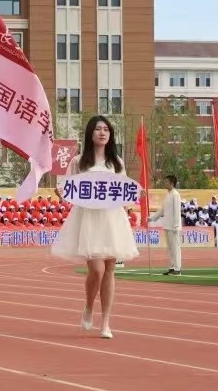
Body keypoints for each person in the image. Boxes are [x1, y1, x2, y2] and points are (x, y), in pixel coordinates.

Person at [50, 115, 138, 339]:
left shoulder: (116, 163)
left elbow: (123, 190)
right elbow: (68, 189)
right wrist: (61, 193)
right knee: (96, 270)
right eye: (98, 129)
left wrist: (135, 195)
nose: (102, 133)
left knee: (109, 270)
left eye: (106, 130)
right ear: (90, 133)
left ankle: (106, 322)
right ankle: (89, 305)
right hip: (88, 219)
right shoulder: (79, 162)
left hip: (112, 219)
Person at [150, 174, 182, 275]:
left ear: (171, 183)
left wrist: (176, 225)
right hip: (167, 224)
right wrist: (152, 218)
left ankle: (177, 268)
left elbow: (177, 211)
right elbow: (162, 209)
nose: (165, 183)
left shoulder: (175, 194)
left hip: (173, 226)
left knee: (175, 247)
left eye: (166, 182)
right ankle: (172, 267)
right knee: (170, 248)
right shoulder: (167, 194)